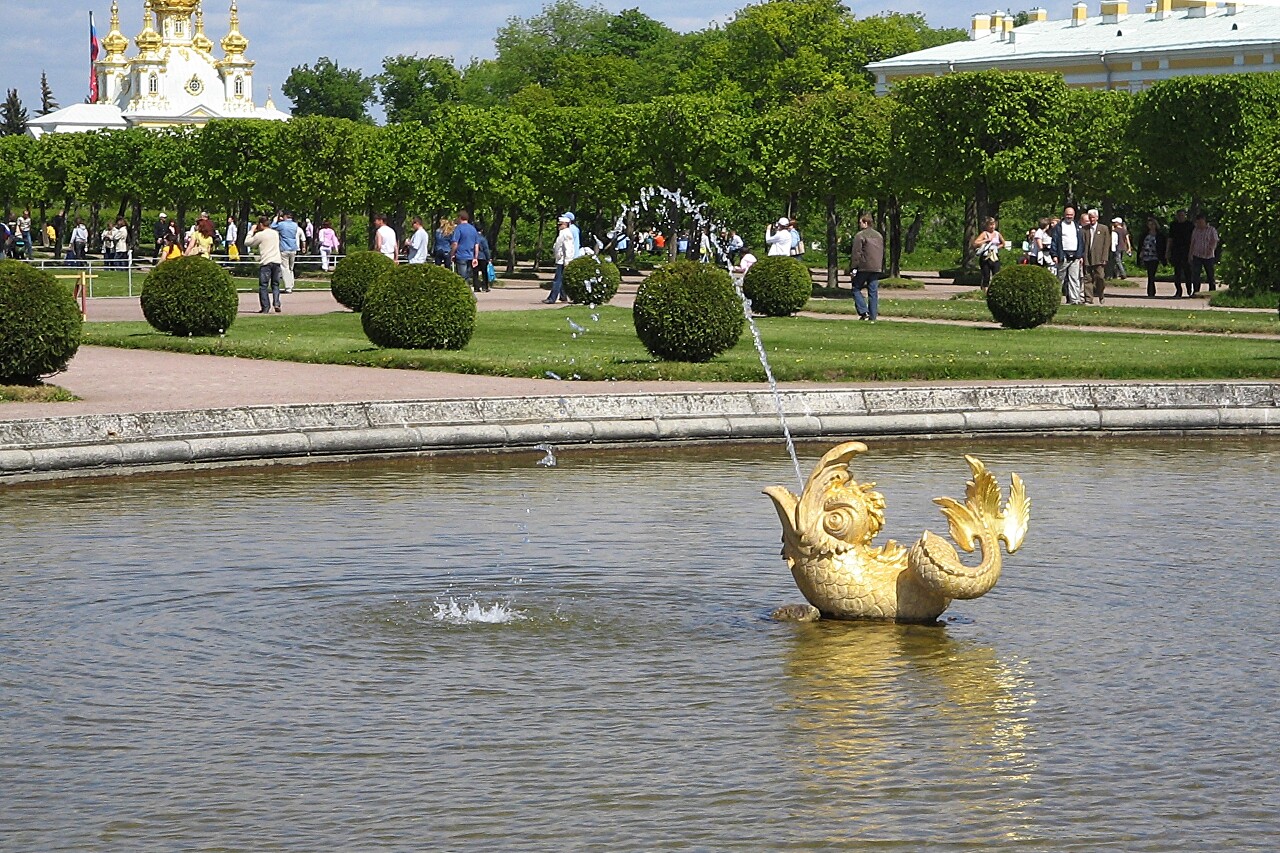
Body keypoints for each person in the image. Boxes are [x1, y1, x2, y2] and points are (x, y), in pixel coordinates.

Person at [849, 214, 885, 322]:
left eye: (860, 222)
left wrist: (853, 267)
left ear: (865, 223)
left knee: (856, 288)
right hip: (876, 267)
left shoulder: (860, 236)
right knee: (873, 292)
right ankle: (873, 316)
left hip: (864, 267)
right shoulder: (879, 235)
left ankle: (864, 311)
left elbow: (857, 253)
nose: (859, 224)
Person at [245, 215, 283, 313]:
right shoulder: (275, 233)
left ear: (261, 224)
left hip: (266, 262)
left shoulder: (260, 235)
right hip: (277, 261)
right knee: (275, 284)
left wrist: (251, 231)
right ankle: (277, 303)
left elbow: (247, 242)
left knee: (263, 285)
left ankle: (265, 307)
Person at [1050, 206, 1085, 305]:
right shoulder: (1059, 227)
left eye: (1071, 215)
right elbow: (1055, 241)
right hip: (1063, 255)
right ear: (1064, 215)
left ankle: (1075, 299)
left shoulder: (1077, 226)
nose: (1069, 216)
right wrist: (1054, 255)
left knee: (1074, 278)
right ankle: (1056, 299)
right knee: (1060, 279)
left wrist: (1080, 255)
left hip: (1075, 256)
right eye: (1067, 214)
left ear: (1074, 215)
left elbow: (1080, 242)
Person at [1081, 209, 1110, 304]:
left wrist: (1104, 257)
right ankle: (1089, 299)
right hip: (1087, 257)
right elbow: (1083, 243)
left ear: (1097, 218)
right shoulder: (1084, 229)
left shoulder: (1103, 228)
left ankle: (1101, 294)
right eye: (1090, 217)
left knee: (1100, 277)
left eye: (1093, 217)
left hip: (1099, 258)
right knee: (1087, 278)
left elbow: (1106, 244)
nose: (1091, 219)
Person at [449, 210, 482, 292]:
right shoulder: (473, 229)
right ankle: (467, 293)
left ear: (460, 218)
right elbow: (476, 245)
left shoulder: (459, 228)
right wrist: (475, 257)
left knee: (461, 277)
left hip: (461, 255)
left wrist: (452, 254)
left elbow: (455, 243)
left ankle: (465, 294)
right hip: (470, 256)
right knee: (467, 277)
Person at [545, 215, 574, 304]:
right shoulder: (563, 233)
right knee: (561, 279)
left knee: (557, 280)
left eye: (560, 224)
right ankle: (563, 296)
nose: (558, 226)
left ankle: (552, 298)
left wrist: (567, 261)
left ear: (565, 224)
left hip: (563, 260)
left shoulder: (566, 233)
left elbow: (568, 248)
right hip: (560, 260)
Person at [1188, 213, 1219, 295]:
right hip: (1197, 255)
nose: (1199, 224)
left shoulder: (1211, 230)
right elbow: (1193, 242)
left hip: (1208, 256)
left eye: (1201, 222)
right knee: (1196, 274)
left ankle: (1212, 292)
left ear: (1205, 221)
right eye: (1198, 222)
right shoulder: (1196, 230)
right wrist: (1190, 254)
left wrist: (1211, 249)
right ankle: (1196, 291)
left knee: (1210, 275)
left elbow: (1215, 240)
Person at [271, 211, 301, 293]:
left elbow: (272, 227)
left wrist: (276, 219)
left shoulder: (282, 224)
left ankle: (288, 287)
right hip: (293, 248)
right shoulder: (295, 225)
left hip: (284, 248)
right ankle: (291, 284)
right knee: (291, 268)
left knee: (285, 268)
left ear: (285, 216)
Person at [1168, 209, 1194, 298]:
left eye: (1182, 215)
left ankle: (1189, 289)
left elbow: (1193, 239)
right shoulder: (1173, 225)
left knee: (1188, 272)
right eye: (1179, 215)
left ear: (1185, 216)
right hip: (1176, 250)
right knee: (1177, 272)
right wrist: (1168, 251)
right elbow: (1170, 239)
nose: (1180, 217)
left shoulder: (1190, 225)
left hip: (1187, 250)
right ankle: (1178, 291)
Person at [1138, 216, 1167, 298]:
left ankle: (1151, 291)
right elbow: (1142, 245)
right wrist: (1141, 254)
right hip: (1147, 256)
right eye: (1149, 224)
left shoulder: (1159, 235)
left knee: (1151, 274)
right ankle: (1151, 290)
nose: (1151, 226)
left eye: (1152, 224)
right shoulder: (1145, 235)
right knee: (1149, 274)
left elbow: (1162, 246)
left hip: (1155, 257)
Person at [973, 217, 1003, 289]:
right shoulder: (984, 234)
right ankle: (984, 290)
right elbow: (975, 243)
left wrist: (996, 248)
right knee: (986, 275)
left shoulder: (997, 234)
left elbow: (1003, 243)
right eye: (990, 225)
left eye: (993, 224)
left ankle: (995, 289)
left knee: (996, 274)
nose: (992, 226)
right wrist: (986, 240)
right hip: (985, 256)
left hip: (994, 256)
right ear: (987, 225)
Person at [475, 221, 492, 293]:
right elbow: (486, 249)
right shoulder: (483, 239)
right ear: (482, 230)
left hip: (475, 257)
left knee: (475, 272)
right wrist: (489, 258)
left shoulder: (474, 238)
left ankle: (476, 286)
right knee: (484, 272)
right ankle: (485, 286)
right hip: (482, 257)